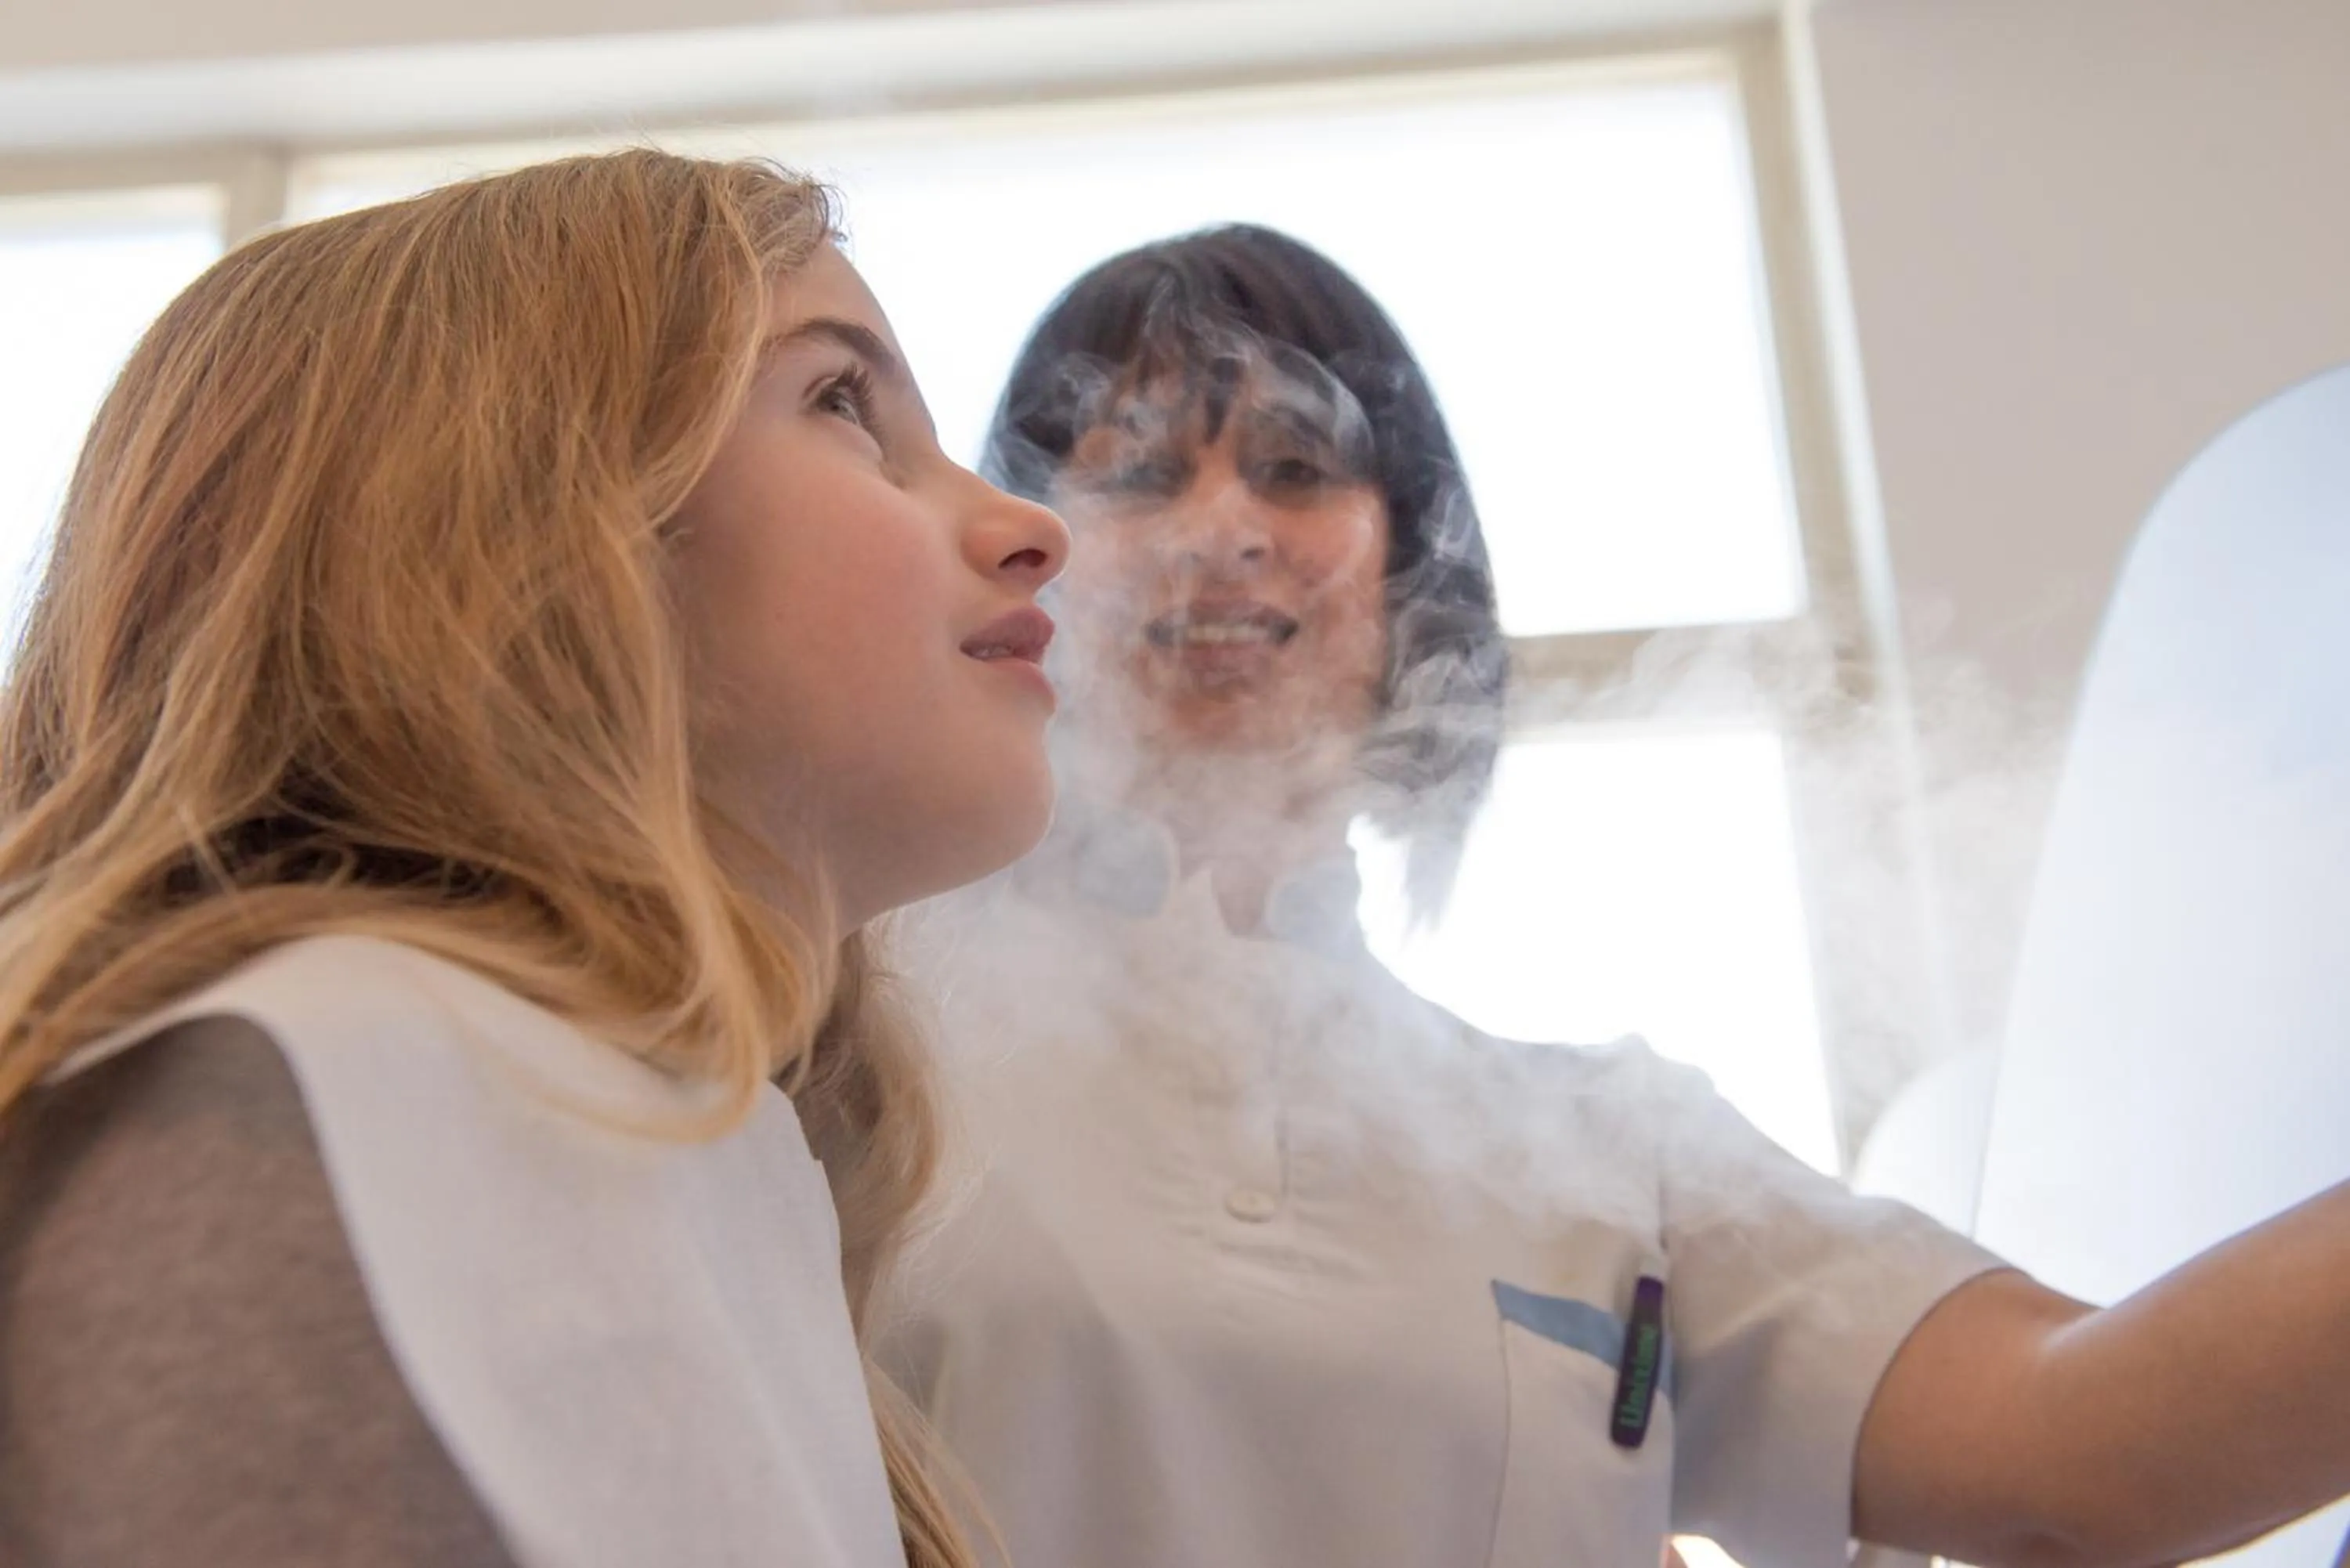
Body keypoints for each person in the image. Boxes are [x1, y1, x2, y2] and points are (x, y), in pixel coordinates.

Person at [880, 223, 2350, 1568]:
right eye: (1142, 472)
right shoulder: (857, 1045)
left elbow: (2078, 1450)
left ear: (1410, 573)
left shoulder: (1605, 1154)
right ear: (1028, 563)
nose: (1227, 526)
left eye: (1297, 467)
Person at [0, 150, 1068, 1568]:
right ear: (517, 532)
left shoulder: (701, 1150)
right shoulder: (285, 1105)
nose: (1032, 529)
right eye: (840, 402)